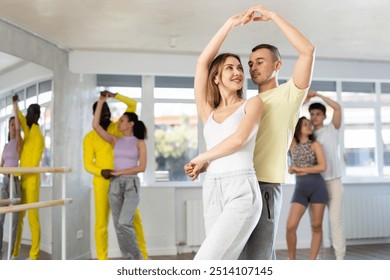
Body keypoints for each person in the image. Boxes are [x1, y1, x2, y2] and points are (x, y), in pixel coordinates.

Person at [238, 5, 316, 260]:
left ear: (278, 64)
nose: (253, 67)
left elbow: (308, 50)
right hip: (241, 182)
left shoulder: (289, 95)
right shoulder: (247, 103)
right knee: (243, 256)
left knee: (259, 257)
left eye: (260, 61)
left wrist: (271, 16)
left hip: (267, 184)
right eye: (250, 63)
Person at [185, 13, 263, 260]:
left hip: (242, 189)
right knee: (222, 264)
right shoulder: (208, 111)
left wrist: (202, 158)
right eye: (229, 67)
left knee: (205, 261)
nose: (238, 71)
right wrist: (229, 25)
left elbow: (239, 140)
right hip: (212, 189)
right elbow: (201, 63)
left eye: (239, 67)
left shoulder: (253, 104)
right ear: (215, 77)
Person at [83, 90, 148, 260]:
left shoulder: (118, 128)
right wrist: (100, 171)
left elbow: (132, 106)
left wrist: (113, 96)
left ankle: (143, 258)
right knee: (102, 224)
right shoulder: (92, 138)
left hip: (125, 180)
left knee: (132, 221)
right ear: (94, 113)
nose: (106, 113)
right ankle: (103, 261)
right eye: (101, 110)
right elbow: (87, 163)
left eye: (107, 109)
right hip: (103, 182)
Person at [307, 90, 346, 260]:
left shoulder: (332, 129)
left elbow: (337, 108)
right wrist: (306, 99)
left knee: (335, 222)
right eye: (312, 114)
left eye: (318, 114)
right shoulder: (307, 135)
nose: (314, 117)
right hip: (316, 184)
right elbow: (291, 119)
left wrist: (318, 95)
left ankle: (340, 258)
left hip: (334, 183)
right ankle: (318, 258)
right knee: (317, 224)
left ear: (324, 116)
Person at [286, 116, 328, 260]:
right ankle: (292, 260)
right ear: (298, 128)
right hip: (300, 189)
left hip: (318, 187)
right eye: (305, 124)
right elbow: (287, 121)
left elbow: (322, 167)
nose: (309, 126)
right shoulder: (292, 144)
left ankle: (312, 261)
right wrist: (293, 169)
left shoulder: (315, 145)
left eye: (309, 124)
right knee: (290, 226)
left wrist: (300, 168)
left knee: (316, 225)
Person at [12, 96, 44, 260]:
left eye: (30, 113)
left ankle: (34, 254)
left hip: (31, 182)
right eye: (27, 113)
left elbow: (32, 163)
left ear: (36, 116)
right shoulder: (28, 130)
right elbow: (21, 118)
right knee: (19, 217)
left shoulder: (38, 137)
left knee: (32, 218)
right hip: (22, 180)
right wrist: (15, 104)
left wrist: (16, 173)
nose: (27, 116)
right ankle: (15, 251)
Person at [0, 104, 23, 260]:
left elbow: (20, 131)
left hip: (15, 182)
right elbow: (1, 165)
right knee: (0, 219)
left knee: (14, 222)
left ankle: (12, 255)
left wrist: (16, 108)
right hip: (5, 182)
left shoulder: (19, 143)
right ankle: (1, 250)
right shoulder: (6, 145)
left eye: (16, 125)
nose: (14, 127)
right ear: (8, 128)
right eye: (12, 125)